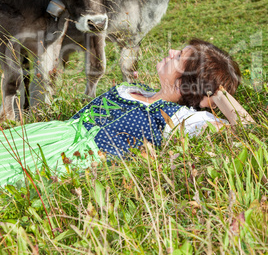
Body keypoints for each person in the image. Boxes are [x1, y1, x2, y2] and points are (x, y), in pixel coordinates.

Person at [0, 39, 254, 188]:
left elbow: (247, 129)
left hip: (73, 158)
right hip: (48, 135)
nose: (170, 53)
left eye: (179, 57)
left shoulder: (180, 118)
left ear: (184, 84)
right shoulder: (136, 90)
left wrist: (217, 93)